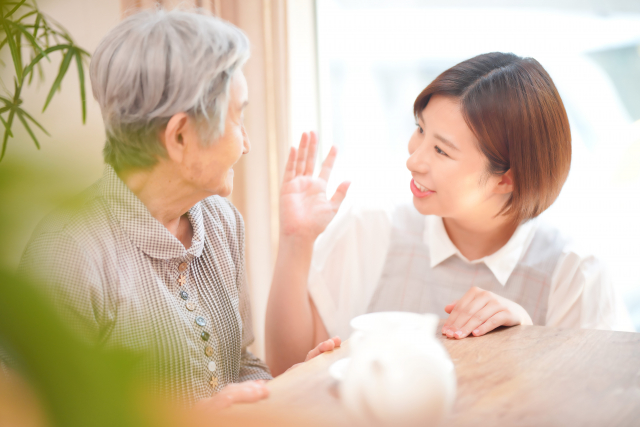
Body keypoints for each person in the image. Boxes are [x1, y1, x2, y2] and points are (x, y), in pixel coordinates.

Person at [16, 9, 337, 406]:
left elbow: (238, 365)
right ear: (180, 136)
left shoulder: (221, 221)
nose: (247, 143)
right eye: (238, 118)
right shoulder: (67, 255)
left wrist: (287, 387)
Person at [265, 52, 635, 376]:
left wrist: (528, 338)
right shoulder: (375, 228)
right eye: (420, 129)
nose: (413, 159)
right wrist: (296, 241)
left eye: (441, 151)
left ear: (506, 177)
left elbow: (593, 408)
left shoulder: (573, 273)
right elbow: (288, 370)